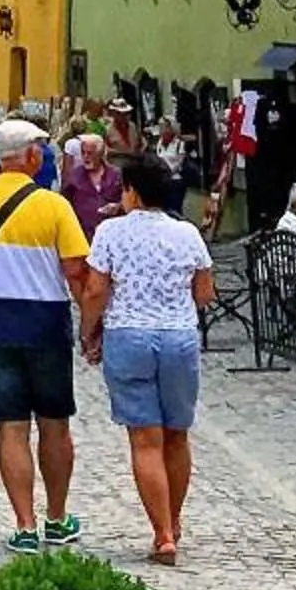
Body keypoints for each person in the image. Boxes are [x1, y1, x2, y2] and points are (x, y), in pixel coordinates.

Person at [0, 118, 91, 553]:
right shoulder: (54, 206)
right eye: (41, 150)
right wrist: (90, 324)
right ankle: (57, 517)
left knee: (11, 426)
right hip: (45, 319)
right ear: (29, 156)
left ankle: (24, 525)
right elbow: (76, 268)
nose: (44, 156)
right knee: (54, 424)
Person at [80, 155, 215, 566]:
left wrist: (89, 333)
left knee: (145, 437)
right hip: (178, 337)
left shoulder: (110, 233)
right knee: (177, 434)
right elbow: (205, 293)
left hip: (130, 336)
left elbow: (95, 291)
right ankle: (174, 521)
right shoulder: (188, 233)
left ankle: (161, 534)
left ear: (132, 192)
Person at [60, 130, 122, 236]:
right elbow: (63, 204)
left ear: (100, 154)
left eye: (90, 153)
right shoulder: (74, 176)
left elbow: (129, 201)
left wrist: (118, 206)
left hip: (111, 233)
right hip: (82, 235)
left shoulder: (116, 175)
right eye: (83, 153)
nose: (85, 157)